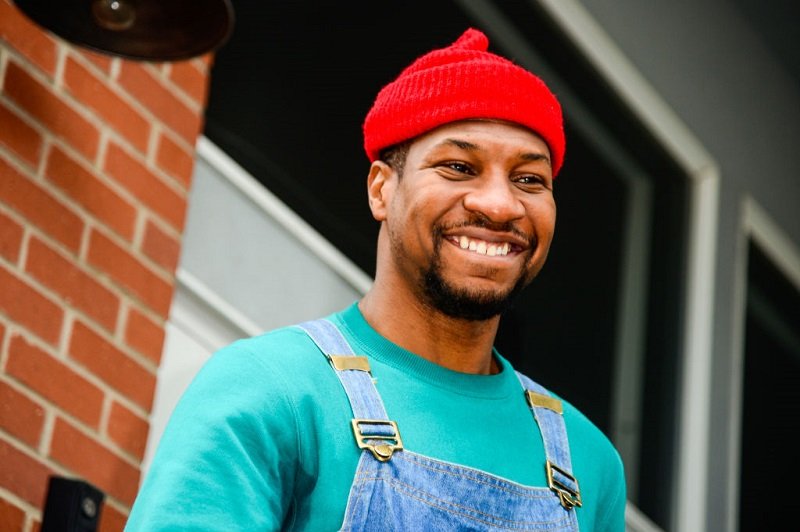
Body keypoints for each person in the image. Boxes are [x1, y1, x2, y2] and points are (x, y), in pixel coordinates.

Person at [126, 27, 626, 531]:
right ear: (382, 189)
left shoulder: (589, 464)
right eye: (458, 166)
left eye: (529, 179)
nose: (499, 204)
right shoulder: (273, 387)